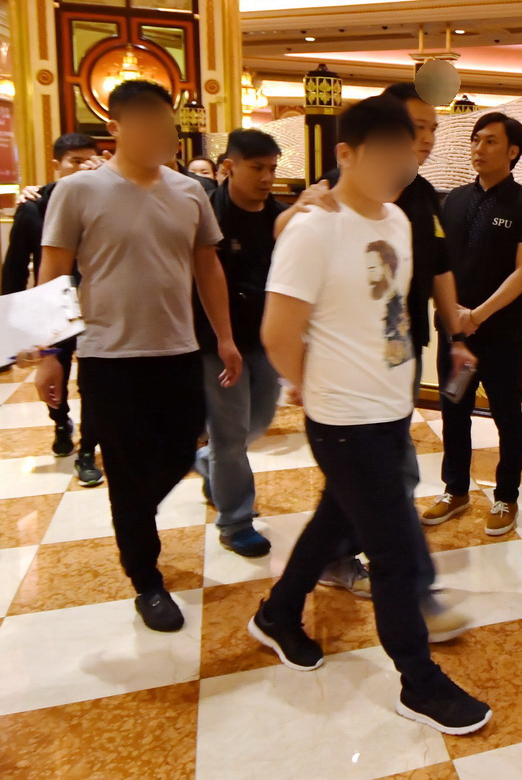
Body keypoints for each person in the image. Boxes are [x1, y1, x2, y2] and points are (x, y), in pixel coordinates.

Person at [250, 96, 492, 736]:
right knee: (392, 549)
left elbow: (392, 314)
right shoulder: (313, 228)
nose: (399, 165)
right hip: (342, 419)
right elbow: (277, 332)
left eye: (405, 153)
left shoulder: (399, 220)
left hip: (388, 408)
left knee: (333, 523)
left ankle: (277, 613)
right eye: (385, 154)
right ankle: (419, 681)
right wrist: (310, 389)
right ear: (346, 155)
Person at [35, 79, 241, 633]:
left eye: (166, 125)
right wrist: (50, 352)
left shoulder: (189, 192)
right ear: (116, 128)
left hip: (177, 349)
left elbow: (207, 266)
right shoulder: (78, 191)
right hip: (108, 355)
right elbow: (53, 273)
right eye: (148, 123)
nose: (161, 134)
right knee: (126, 472)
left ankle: (133, 514)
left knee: (179, 450)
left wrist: (223, 336)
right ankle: (146, 578)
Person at [284, 83, 470, 622]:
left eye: (430, 129)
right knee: (392, 483)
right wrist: (301, 377)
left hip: (396, 359)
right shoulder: (340, 187)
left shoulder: (418, 197)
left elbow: (438, 266)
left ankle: (288, 601)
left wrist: (456, 334)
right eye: (414, 128)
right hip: (347, 374)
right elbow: (292, 238)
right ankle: (417, 600)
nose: (423, 140)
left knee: (351, 494)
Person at [427, 112, 522, 537]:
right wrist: (452, 312)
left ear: (513, 151)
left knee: (506, 416)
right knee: (454, 410)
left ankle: (506, 496)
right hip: (456, 334)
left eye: (491, 141)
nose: (479, 148)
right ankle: (455, 490)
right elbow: (439, 262)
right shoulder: (454, 200)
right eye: (476, 140)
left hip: (499, 335)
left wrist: (478, 314)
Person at [192, 129, 286, 558]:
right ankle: (235, 522)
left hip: (264, 339)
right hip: (217, 341)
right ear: (229, 166)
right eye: (257, 168)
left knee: (258, 421)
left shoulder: (280, 217)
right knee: (230, 435)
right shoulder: (208, 214)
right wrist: (222, 338)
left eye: (272, 168)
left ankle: (209, 461)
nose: (267, 178)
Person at [3, 133, 103, 479]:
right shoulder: (34, 207)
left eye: (90, 160)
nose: (83, 167)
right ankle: (60, 423)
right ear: (57, 164)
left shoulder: (106, 201)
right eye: (75, 161)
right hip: (53, 305)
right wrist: (11, 325)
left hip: (97, 304)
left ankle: (88, 448)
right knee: (52, 372)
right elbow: (15, 267)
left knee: (93, 381)